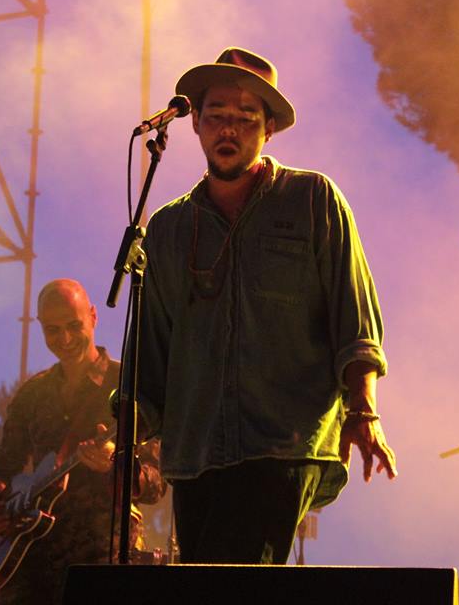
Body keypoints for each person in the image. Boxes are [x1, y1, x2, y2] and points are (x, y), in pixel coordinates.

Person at [137, 47, 396, 564]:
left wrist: (363, 410)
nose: (227, 129)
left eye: (244, 118)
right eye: (215, 116)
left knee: (240, 572)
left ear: (268, 129)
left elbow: (356, 319)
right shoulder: (167, 228)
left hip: (283, 440)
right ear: (196, 125)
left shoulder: (312, 199)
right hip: (194, 453)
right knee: (208, 577)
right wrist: (135, 434)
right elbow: (151, 348)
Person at [0, 279, 166, 605]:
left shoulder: (129, 384)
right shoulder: (33, 394)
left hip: (104, 562)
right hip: (29, 567)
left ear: (94, 317)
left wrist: (117, 463)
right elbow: (2, 468)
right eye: (53, 330)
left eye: (74, 325)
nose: (65, 339)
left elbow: (156, 485)